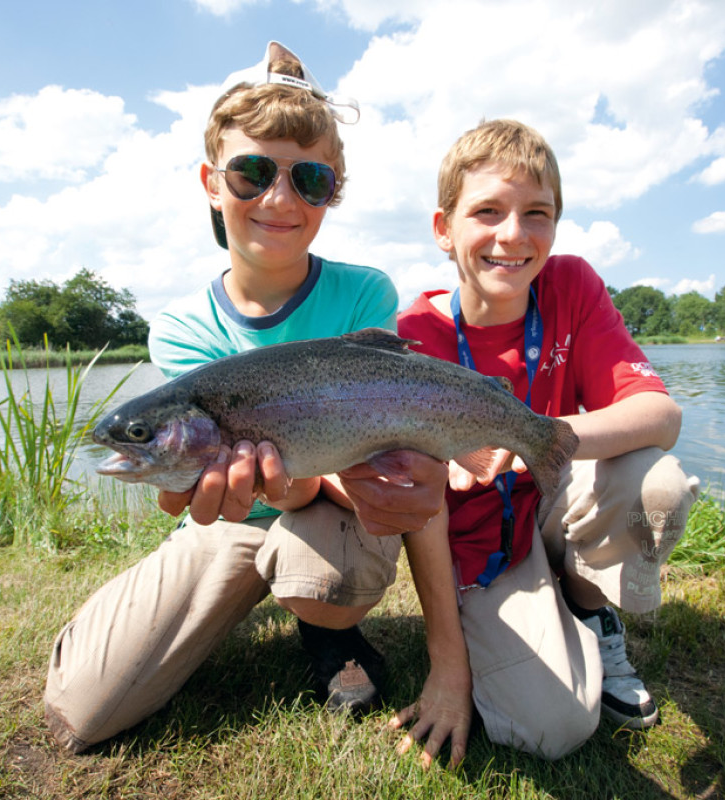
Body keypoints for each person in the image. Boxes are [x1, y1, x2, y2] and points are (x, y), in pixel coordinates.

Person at [43, 41, 448, 755]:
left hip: (334, 510)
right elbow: (196, 491)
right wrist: (257, 486)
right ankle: (254, 600)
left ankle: (329, 630)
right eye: (253, 172)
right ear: (211, 180)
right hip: (225, 521)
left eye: (311, 179)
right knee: (82, 708)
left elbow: (385, 452)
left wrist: (308, 485)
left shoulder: (366, 293)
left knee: (323, 569)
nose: (280, 199)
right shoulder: (179, 329)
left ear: (334, 191)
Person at [391, 119, 700, 766]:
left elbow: (660, 414)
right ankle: (539, 618)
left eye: (538, 213)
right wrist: (449, 665)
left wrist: (535, 434)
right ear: (444, 230)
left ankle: (590, 613)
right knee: (554, 729)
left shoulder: (572, 285)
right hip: (477, 545)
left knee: (658, 484)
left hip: (551, 500)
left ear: (556, 225)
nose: (513, 235)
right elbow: (422, 507)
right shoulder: (412, 333)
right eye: (487, 212)